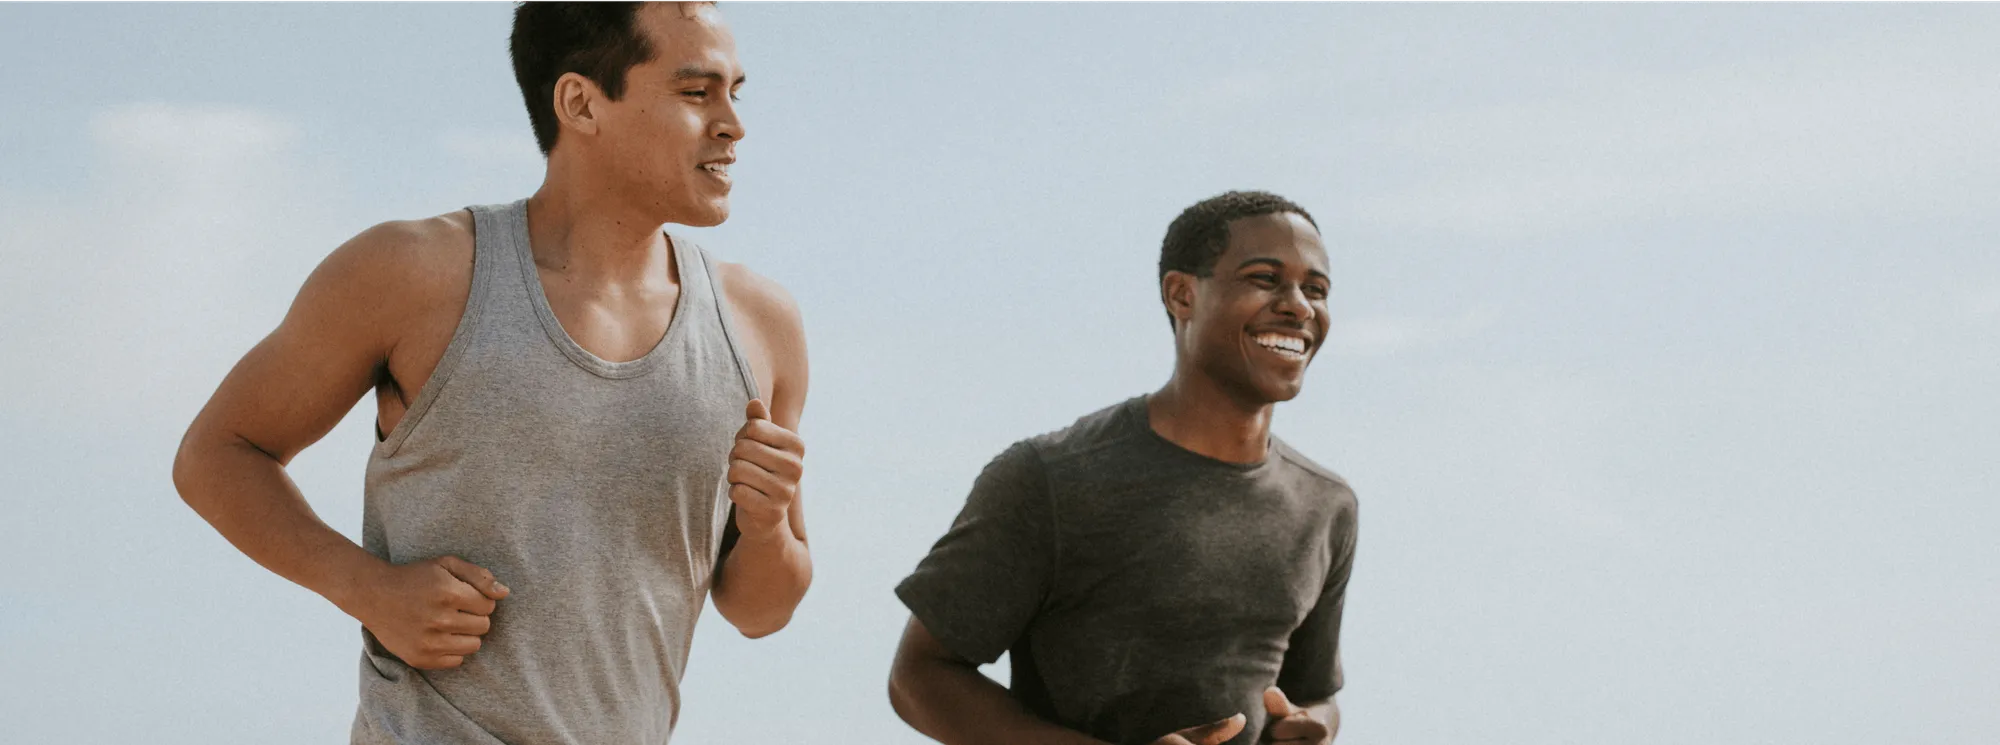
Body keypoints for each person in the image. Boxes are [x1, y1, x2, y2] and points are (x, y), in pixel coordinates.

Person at [170, 2, 811, 743]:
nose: (731, 123)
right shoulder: (413, 273)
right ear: (579, 102)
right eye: (697, 93)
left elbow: (761, 609)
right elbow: (216, 453)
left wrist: (765, 527)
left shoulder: (760, 327)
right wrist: (367, 588)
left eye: (736, 91)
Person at [888, 191, 1358, 745]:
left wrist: (1315, 727)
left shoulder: (1326, 505)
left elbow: (1314, 693)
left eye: (1316, 289)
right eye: (1264, 278)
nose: (1299, 306)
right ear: (1182, 294)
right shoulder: (1050, 478)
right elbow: (919, 677)